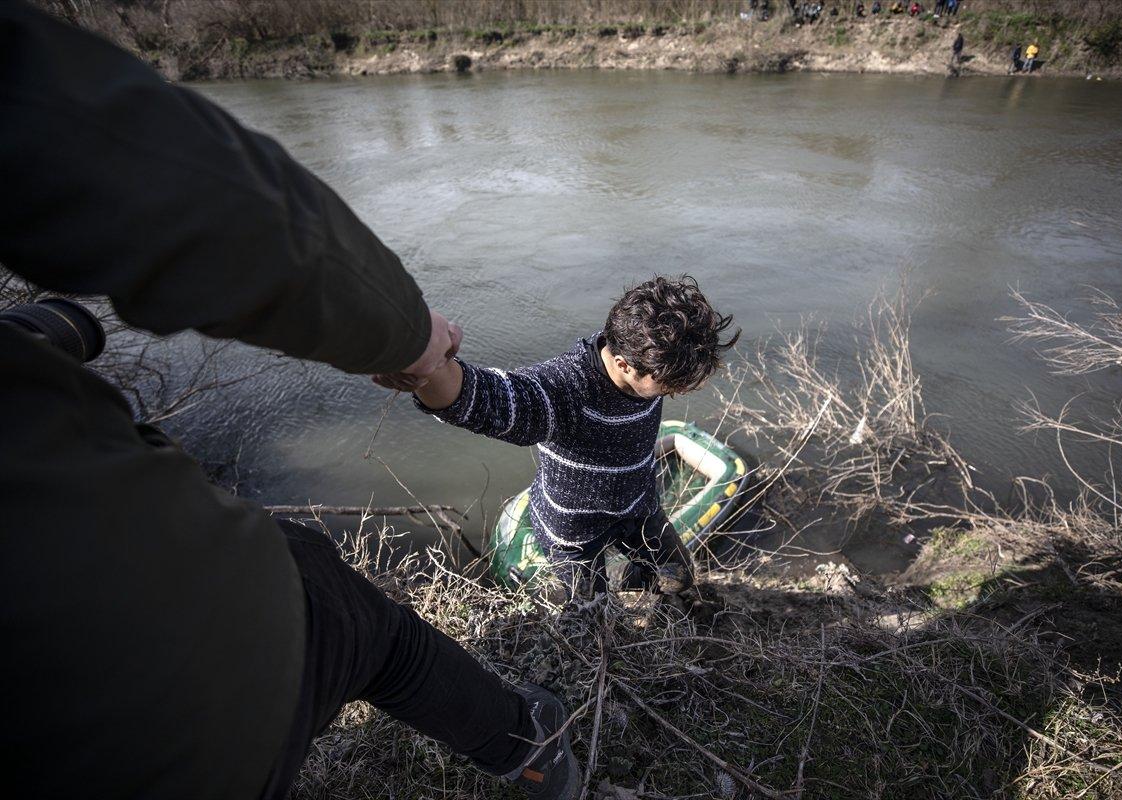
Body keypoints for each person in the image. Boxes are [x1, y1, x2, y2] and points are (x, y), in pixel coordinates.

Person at [0, 3, 580, 799]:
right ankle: (528, 747)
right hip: (166, 705)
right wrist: (411, 340)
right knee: (360, 624)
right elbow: (190, 195)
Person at [388, 277, 738, 600]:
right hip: (575, 533)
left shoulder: (654, 353)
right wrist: (429, 366)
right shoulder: (564, 390)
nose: (678, 391)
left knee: (679, 576)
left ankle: (652, 603)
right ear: (624, 364)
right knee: (593, 617)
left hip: (639, 507)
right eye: (670, 385)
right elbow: (483, 398)